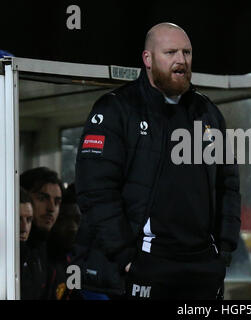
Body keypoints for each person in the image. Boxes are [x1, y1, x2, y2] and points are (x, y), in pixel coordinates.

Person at [73, 22, 241, 300]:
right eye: (171, 52)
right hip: (144, 265)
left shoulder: (208, 113)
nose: (181, 60)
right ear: (147, 59)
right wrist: (126, 257)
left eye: (186, 53)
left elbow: (229, 186)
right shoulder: (116, 109)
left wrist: (222, 251)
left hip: (201, 269)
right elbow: (95, 191)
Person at [20, 167, 64, 299]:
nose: (51, 208)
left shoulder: (52, 250)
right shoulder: (12, 251)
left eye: (57, 202)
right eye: (42, 198)